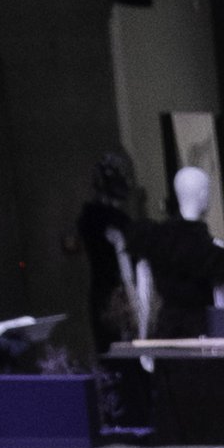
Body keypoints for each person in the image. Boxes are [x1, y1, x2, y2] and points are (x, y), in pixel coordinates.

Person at [133, 165, 224, 444]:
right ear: (204, 194)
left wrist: (145, 342)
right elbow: (223, 307)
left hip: (169, 335)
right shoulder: (213, 251)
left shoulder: (154, 242)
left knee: (175, 422)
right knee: (212, 422)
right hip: (203, 336)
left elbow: (144, 300)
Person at [65, 151, 142, 361]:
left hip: (106, 292)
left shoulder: (91, 217)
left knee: (114, 355)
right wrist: (133, 300)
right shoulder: (108, 220)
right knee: (122, 355)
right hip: (116, 293)